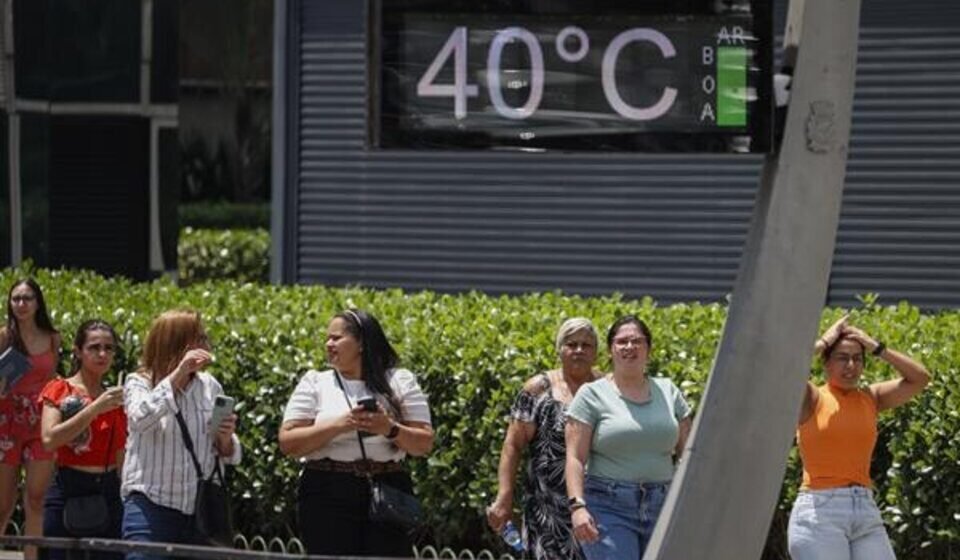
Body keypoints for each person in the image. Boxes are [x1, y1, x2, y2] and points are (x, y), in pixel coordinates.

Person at [278, 308, 433, 557]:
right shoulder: (315, 382)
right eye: (327, 338)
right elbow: (288, 443)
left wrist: (389, 428)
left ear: (361, 342)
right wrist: (341, 424)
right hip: (327, 490)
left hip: (387, 488)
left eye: (336, 338)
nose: (329, 344)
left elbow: (424, 444)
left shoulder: (399, 381)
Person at [788, 316, 930, 560]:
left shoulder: (871, 397)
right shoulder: (813, 398)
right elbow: (789, 367)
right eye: (842, 358)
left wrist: (876, 347)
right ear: (827, 364)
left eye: (857, 358)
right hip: (820, 511)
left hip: (864, 509)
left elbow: (920, 378)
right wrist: (824, 340)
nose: (851, 365)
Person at [565, 315, 692, 560]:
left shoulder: (669, 391)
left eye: (637, 341)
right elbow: (575, 458)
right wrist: (578, 507)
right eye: (621, 341)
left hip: (663, 506)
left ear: (649, 350)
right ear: (611, 350)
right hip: (608, 507)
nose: (629, 347)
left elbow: (689, 455)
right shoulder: (591, 395)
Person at [120, 310, 241, 559]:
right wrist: (177, 375)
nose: (207, 345)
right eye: (200, 338)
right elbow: (140, 420)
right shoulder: (139, 382)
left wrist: (226, 439)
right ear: (177, 343)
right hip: (150, 508)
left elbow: (224, 451)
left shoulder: (210, 385)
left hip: (199, 512)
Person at [486, 317, 601, 559]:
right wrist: (504, 495)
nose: (579, 350)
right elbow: (513, 446)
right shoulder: (538, 389)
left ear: (596, 352)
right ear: (560, 349)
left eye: (586, 345)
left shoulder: (606, 388)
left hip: (597, 507)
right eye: (571, 344)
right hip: (546, 511)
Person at [39, 320, 126, 560]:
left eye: (109, 348)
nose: (102, 354)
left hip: (108, 491)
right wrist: (94, 408)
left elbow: (121, 456)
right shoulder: (59, 388)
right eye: (94, 347)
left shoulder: (115, 399)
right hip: (68, 488)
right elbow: (49, 439)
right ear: (78, 351)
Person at [0, 279, 60, 560]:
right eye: (16, 299)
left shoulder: (52, 338)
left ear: (38, 303)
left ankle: (31, 557)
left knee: (36, 499)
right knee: (3, 504)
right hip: (6, 422)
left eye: (27, 298)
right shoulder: (3, 337)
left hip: (41, 422)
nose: (21, 304)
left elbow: (52, 380)